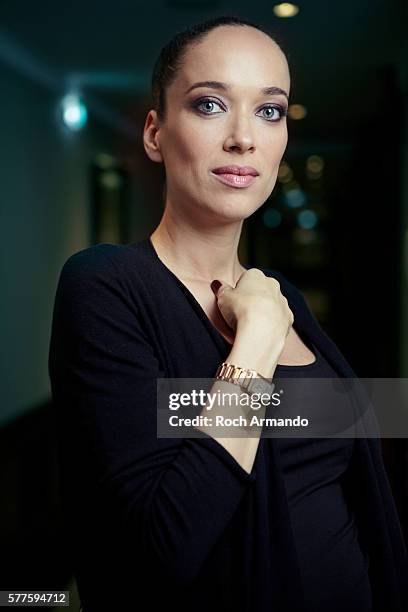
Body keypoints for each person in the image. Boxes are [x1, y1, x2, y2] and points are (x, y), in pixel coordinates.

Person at [48, 15, 408, 612]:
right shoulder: (106, 285)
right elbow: (162, 548)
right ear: (154, 134)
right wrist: (256, 345)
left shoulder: (280, 294)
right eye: (210, 104)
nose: (244, 138)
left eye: (270, 111)